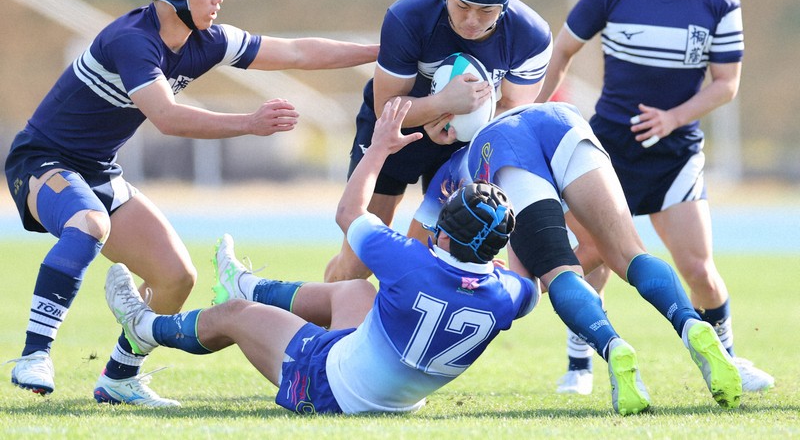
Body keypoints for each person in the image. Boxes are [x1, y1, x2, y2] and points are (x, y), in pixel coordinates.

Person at [3, 0, 378, 407]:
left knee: (176, 277)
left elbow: (297, 52)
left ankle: (119, 378)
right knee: (89, 225)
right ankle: (33, 354)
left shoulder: (208, 42)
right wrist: (249, 123)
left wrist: (379, 52)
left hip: (99, 170)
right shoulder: (131, 41)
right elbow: (167, 117)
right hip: (42, 160)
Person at [103, 97, 539, 414]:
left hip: (329, 385)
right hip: (395, 398)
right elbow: (529, 279)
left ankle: (145, 327)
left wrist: (381, 148)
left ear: (443, 235)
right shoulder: (509, 294)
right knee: (352, 291)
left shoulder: (410, 262)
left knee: (235, 314)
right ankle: (246, 282)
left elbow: (349, 212)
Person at [533, 0, 774, 394]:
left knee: (699, 270)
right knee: (591, 254)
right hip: (609, 152)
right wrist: (539, 113)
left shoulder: (720, 1)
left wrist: (673, 119)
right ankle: (580, 366)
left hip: (675, 154)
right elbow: (563, 51)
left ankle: (726, 358)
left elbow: (725, 84)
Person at [416, 101, 743, 413]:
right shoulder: (513, 88)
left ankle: (612, 344)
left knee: (559, 274)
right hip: (561, 120)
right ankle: (690, 322)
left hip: (498, 148)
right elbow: (592, 246)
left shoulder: (453, 171)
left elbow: (413, 252)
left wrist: (497, 283)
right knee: (631, 253)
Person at [324, 0, 553, 283]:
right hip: (395, 133)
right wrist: (442, 105)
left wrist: (458, 126)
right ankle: (325, 326)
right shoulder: (409, 17)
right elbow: (386, 107)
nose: (472, 20)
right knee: (359, 259)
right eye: (462, 6)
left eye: (487, 11)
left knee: (446, 258)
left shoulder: (530, 35)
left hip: (465, 144)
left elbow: (511, 114)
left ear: (504, 6)